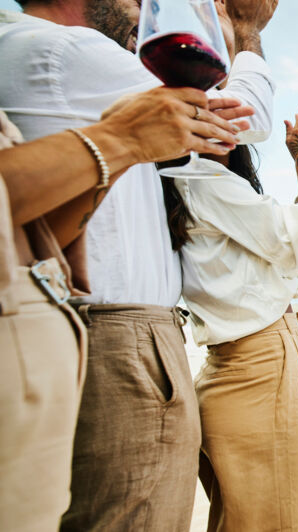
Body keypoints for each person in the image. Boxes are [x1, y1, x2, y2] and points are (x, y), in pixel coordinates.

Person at [0, 0, 276, 529]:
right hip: (121, 339)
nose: (143, 9)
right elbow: (243, 118)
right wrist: (247, 30)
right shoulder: (70, 49)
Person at [166, 100, 298, 531]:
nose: (223, 116)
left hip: (230, 364)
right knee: (275, 518)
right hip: (261, 364)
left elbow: (294, 234)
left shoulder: (184, 187)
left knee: (240, 516)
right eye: (205, 107)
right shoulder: (205, 181)